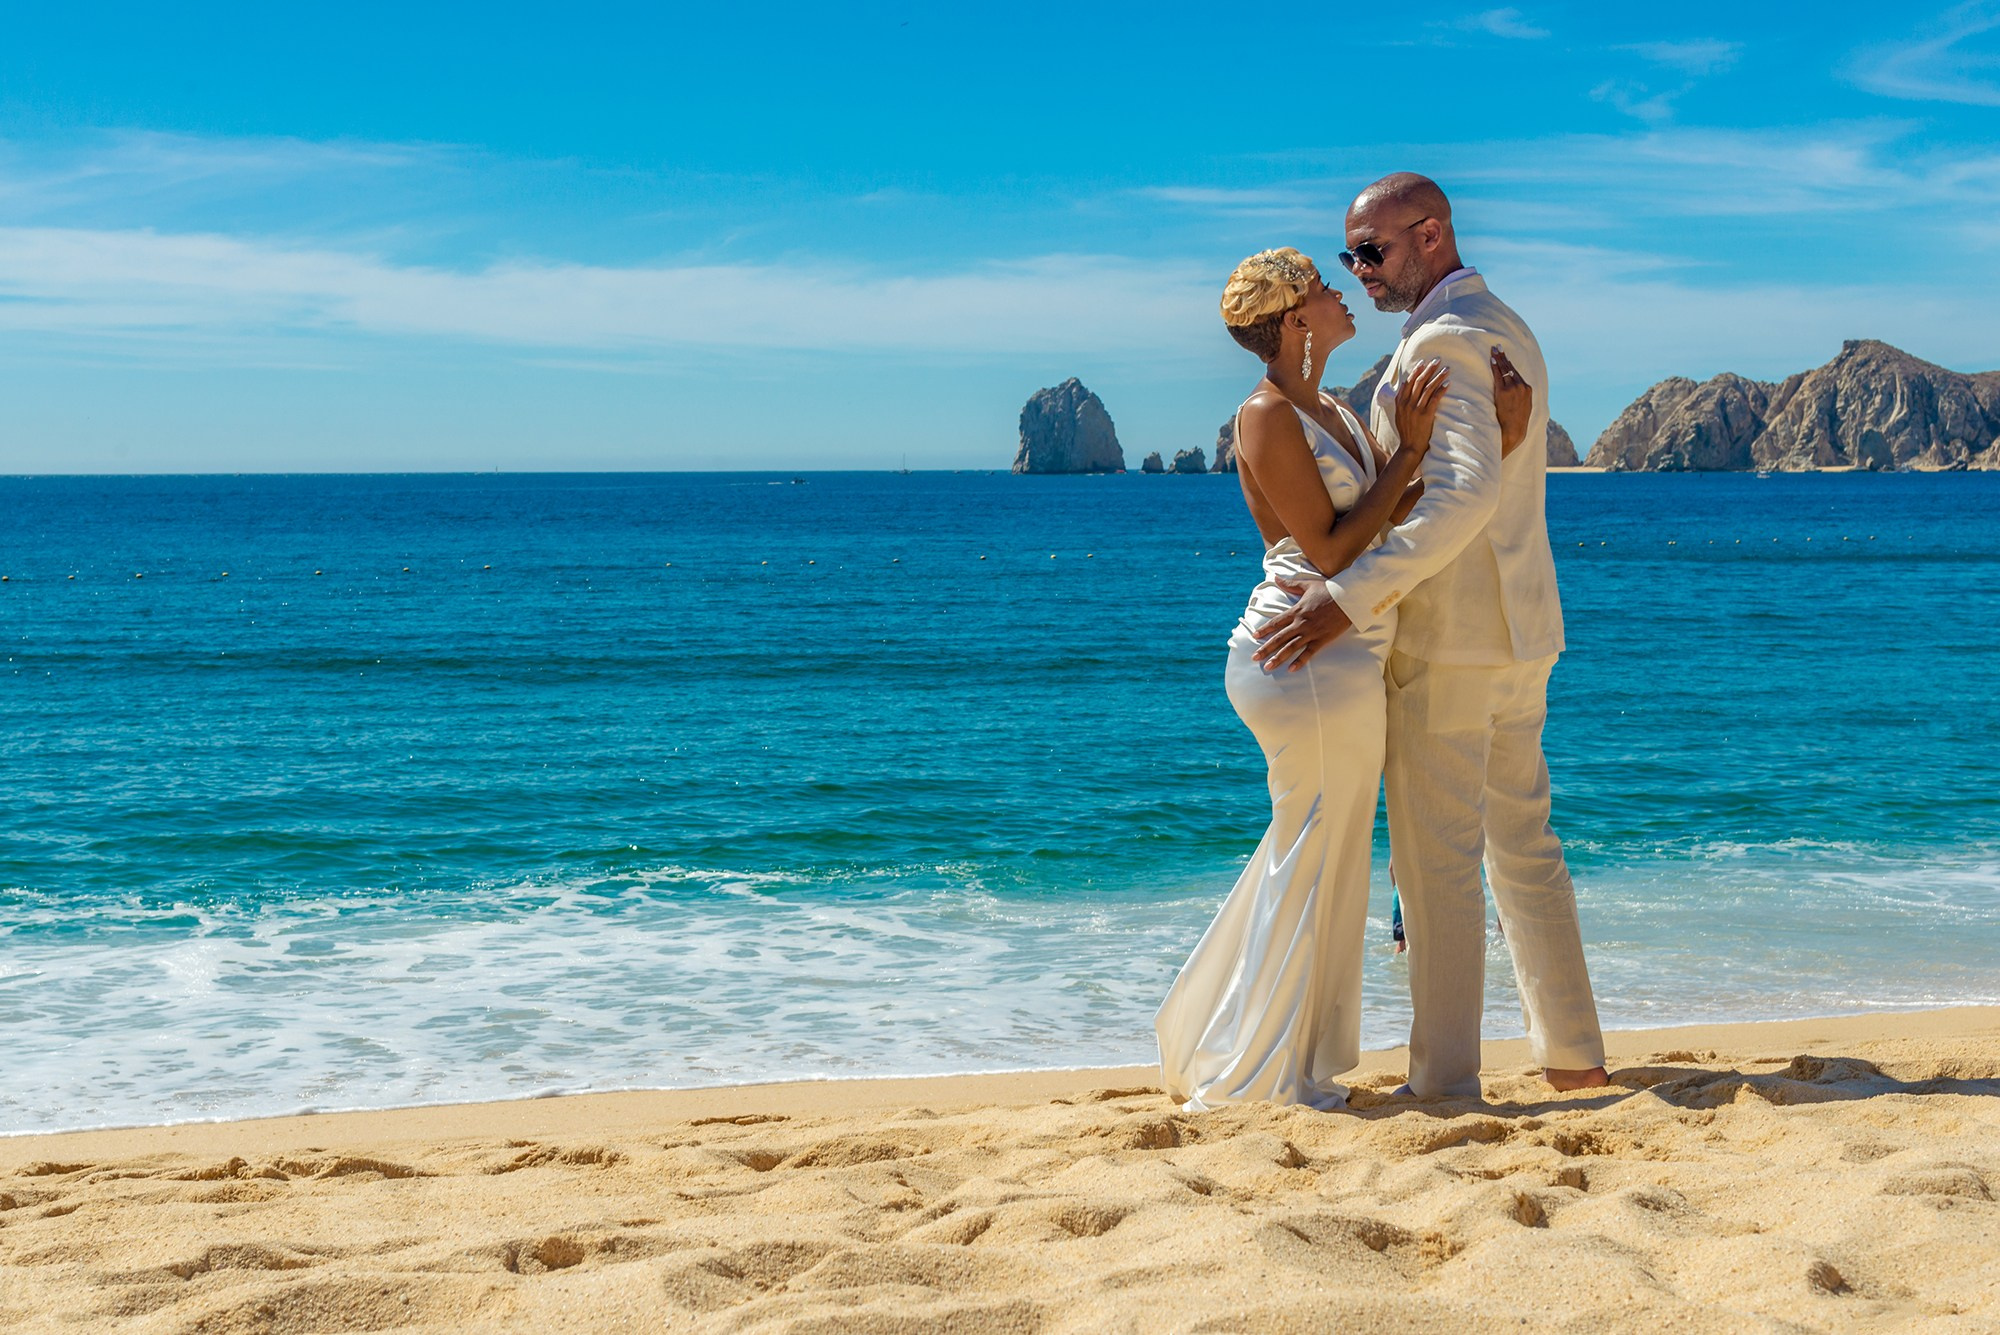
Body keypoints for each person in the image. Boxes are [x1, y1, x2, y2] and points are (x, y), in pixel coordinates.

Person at [1253, 174, 1609, 1099]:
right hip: (1521, 629)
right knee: (1526, 848)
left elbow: (1465, 494)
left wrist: (1351, 597)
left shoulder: (1446, 338)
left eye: (1371, 251)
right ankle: (1574, 1057)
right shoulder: (1506, 326)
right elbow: (1485, 475)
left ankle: (1445, 1080)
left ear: (1431, 234)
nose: (1358, 271)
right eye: (1349, 258)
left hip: (1453, 639)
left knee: (1439, 861)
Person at [1153, 246, 1532, 1112]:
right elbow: (1327, 547)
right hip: (1303, 649)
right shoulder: (1262, 416)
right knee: (1313, 846)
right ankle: (1260, 1068)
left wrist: (1500, 442)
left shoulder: (1329, 406)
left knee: (1321, 848)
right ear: (1295, 320)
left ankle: (1276, 1051)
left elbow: (1388, 514)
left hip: (1341, 646)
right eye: (1324, 290)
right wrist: (1411, 454)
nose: (1341, 293)